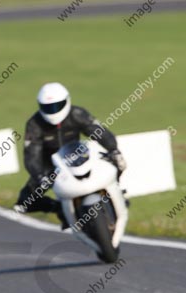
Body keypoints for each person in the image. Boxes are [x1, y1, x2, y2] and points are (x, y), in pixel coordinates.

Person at [14, 82, 127, 228]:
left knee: (117, 162)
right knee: (24, 202)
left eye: (57, 106)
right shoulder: (35, 124)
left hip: (79, 156)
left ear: (67, 101)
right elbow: (31, 155)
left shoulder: (77, 114)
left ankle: (116, 194)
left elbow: (98, 131)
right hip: (51, 166)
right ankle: (59, 208)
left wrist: (113, 149)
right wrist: (40, 176)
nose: (52, 111)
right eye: (48, 107)